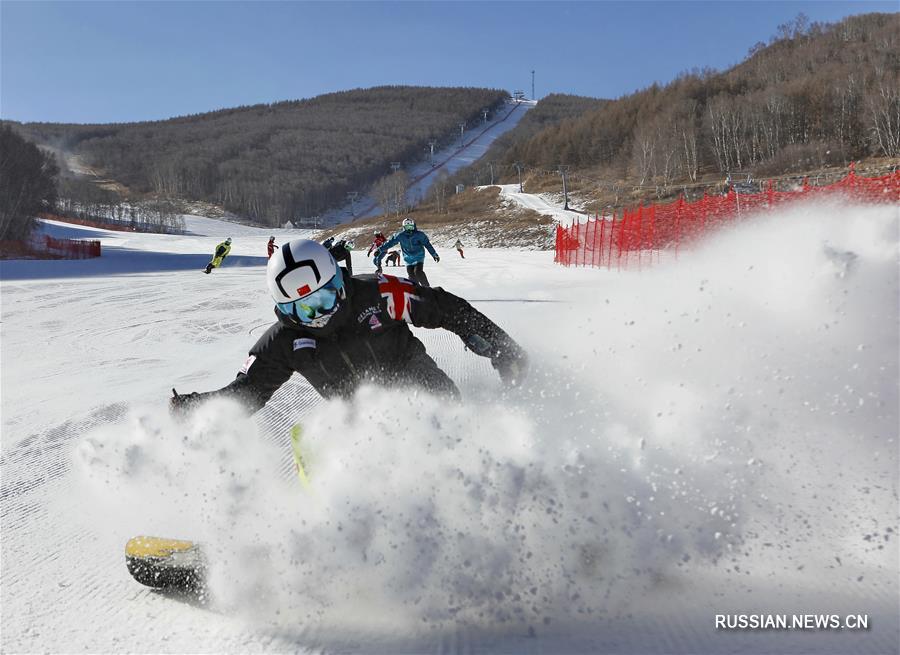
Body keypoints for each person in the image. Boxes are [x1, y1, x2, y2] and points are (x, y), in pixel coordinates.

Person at [170, 239, 527, 411]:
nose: (317, 315)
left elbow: (447, 309)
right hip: (358, 418)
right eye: (302, 309)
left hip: (421, 384)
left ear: (339, 284)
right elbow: (247, 392)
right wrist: (198, 408)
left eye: (323, 301)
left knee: (447, 416)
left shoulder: (379, 294)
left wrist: (502, 348)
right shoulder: (286, 341)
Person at [373, 218, 438, 287]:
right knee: (411, 276)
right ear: (404, 227)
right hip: (408, 258)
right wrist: (379, 250)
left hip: (418, 257)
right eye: (407, 227)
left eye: (411, 227)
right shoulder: (400, 235)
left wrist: (434, 254)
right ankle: (416, 290)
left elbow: (427, 244)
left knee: (418, 272)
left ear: (414, 226)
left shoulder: (419, 235)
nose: (410, 229)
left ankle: (427, 288)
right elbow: (390, 243)